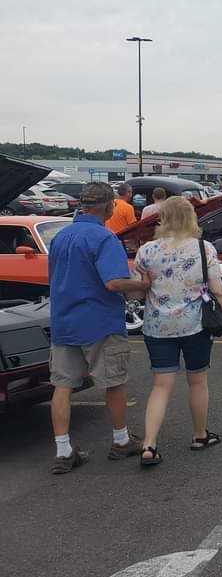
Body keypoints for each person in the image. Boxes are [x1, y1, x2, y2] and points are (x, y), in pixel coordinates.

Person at [46, 182, 150, 474]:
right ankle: (121, 440)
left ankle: (63, 450)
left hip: (65, 320)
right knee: (114, 381)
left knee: (62, 385)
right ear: (109, 206)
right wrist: (143, 284)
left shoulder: (61, 236)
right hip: (99, 321)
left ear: (83, 205)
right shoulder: (104, 238)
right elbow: (113, 282)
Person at [134, 197, 222, 466]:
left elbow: (140, 289)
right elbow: (218, 291)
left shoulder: (146, 251)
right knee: (197, 381)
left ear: (163, 218)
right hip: (195, 325)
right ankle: (199, 435)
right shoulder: (204, 249)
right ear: (191, 218)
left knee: (161, 386)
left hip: (157, 326)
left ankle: (149, 445)